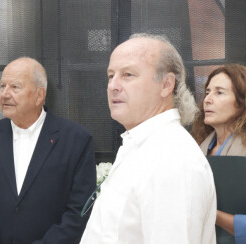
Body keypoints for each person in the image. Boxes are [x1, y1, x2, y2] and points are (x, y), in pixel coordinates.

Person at [80, 33, 216, 244]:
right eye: (110, 75)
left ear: (166, 85)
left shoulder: (172, 159)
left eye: (128, 75)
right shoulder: (142, 145)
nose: (113, 85)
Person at [0, 57, 96, 244]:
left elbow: (80, 208)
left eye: (15, 87)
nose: (5, 94)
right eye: (2, 86)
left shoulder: (76, 139)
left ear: (39, 95)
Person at [191, 64, 246, 244]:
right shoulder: (197, 148)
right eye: (207, 92)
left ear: (243, 102)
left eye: (219, 92)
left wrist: (208, 212)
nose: (207, 99)